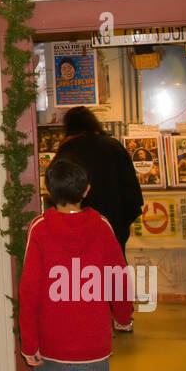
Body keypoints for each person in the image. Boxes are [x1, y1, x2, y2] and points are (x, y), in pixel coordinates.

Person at [19, 157, 133, 371]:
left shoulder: (40, 228)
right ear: (87, 190)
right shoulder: (103, 227)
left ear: (48, 190)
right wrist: (123, 317)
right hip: (94, 345)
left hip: (51, 345)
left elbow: (29, 289)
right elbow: (119, 277)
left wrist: (28, 342)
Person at [51, 106, 143, 257]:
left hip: (80, 223)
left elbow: (57, 185)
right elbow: (131, 188)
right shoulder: (114, 145)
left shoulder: (67, 150)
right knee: (113, 267)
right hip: (114, 219)